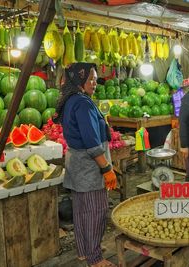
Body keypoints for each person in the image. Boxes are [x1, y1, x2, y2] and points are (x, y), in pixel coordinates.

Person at [54, 63, 116, 267]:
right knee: (96, 212)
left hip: (76, 163)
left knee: (81, 211)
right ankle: (95, 258)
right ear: (79, 80)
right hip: (89, 167)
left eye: (96, 79)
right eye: (91, 79)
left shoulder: (71, 100)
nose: (94, 83)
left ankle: (85, 250)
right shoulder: (83, 103)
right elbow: (91, 142)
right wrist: (107, 169)